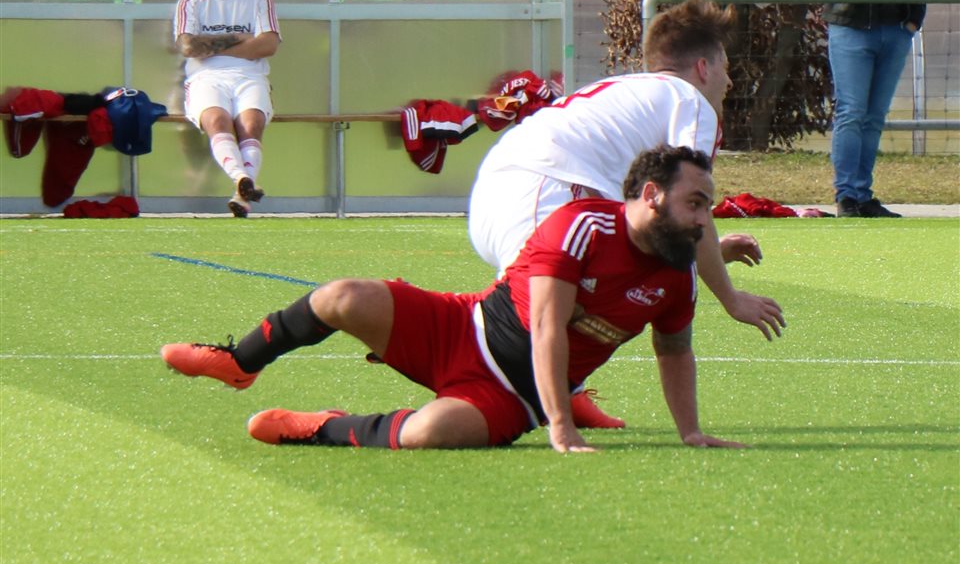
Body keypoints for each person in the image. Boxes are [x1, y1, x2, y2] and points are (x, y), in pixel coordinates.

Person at [160, 146, 746, 453]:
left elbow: (675, 351)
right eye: (696, 203)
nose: (705, 219)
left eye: (707, 208)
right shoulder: (584, 225)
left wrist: (690, 432)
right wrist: (563, 428)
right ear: (652, 194)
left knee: (427, 434)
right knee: (342, 297)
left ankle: (321, 427)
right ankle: (240, 362)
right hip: (462, 326)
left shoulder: (678, 274)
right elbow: (546, 329)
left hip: (512, 398)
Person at [468, 0, 785, 428]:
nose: (728, 82)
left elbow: (648, 220)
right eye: (725, 67)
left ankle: (564, 394)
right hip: (545, 186)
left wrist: (705, 253)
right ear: (703, 68)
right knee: (538, 313)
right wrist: (731, 299)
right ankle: (468, 388)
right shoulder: (690, 101)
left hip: (503, 188)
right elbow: (689, 198)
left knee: (588, 290)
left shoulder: (632, 93)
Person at [820, 0, 929, 218]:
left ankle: (863, 195)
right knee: (851, 111)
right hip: (850, 27)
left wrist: (914, 20)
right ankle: (846, 196)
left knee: (874, 116)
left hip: (896, 32)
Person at [173, 0, 281, 217]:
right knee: (217, 121)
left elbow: (268, 45)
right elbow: (188, 47)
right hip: (205, 78)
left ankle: (241, 190)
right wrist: (243, 39)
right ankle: (243, 181)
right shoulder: (191, 2)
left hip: (250, 76)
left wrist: (211, 46)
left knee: (251, 124)